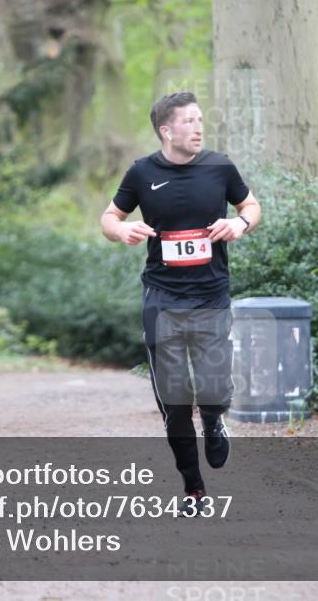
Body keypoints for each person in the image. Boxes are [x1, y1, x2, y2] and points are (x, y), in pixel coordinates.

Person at [100, 92, 261, 513]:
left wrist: (239, 223)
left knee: (213, 387)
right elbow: (108, 218)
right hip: (162, 299)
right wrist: (122, 231)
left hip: (210, 296)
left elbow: (251, 205)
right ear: (166, 131)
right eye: (189, 121)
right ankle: (194, 490)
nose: (198, 127)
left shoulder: (220, 166)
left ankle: (213, 418)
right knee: (173, 402)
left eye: (201, 119)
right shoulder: (142, 173)